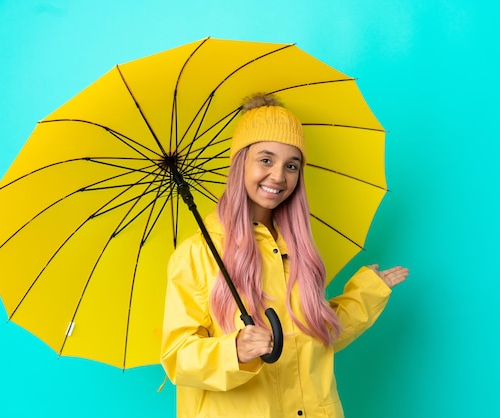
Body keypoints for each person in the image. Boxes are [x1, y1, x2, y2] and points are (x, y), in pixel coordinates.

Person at [160, 93, 408, 417]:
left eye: (291, 165)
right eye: (266, 159)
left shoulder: (297, 248)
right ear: (241, 163)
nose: (279, 176)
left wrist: (365, 294)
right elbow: (178, 357)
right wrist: (232, 350)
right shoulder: (197, 255)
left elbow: (316, 337)